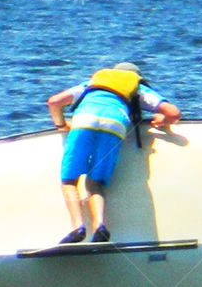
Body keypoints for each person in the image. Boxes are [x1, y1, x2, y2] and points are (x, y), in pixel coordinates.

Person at [46, 62, 181, 244]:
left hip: (84, 120)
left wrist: (61, 125)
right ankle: (100, 227)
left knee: (69, 180)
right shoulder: (138, 88)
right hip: (115, 125)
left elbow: (54, 102)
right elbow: (173, 113)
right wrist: (162, 120)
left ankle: (78, 228)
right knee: (95, 182)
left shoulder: (90, 85)